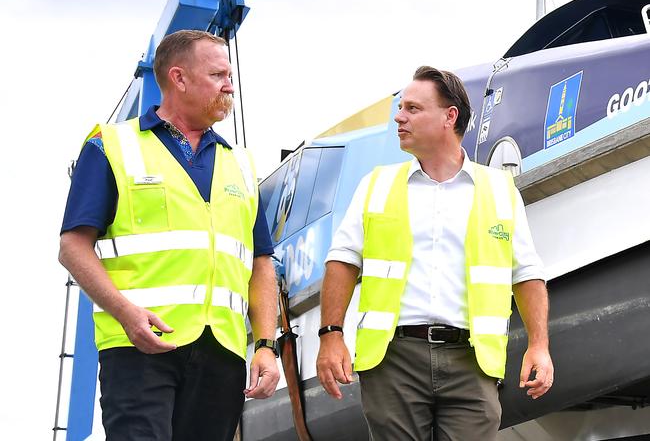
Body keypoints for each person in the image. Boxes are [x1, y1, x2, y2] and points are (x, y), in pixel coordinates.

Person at [59, 29, 280, 441]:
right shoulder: (110, 147)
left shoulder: (242, 165)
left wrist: (265, 344)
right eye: (217, 75)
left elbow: (261, 262)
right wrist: (126, 315)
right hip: (139, 346)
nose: (229, 85)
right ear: (178, 78)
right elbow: (72, 247)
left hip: (221, 352)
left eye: (229, 75)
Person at [316, 66, 553, 440]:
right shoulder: (376, 185)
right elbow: (342, 260)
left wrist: (539, 345)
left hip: (472, 363)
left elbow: (526, 273)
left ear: (450, 116)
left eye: (412, 108)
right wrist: (330, 334)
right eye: (401, 107)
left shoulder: (500, 190)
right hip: (393, 361)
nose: (399, 116)